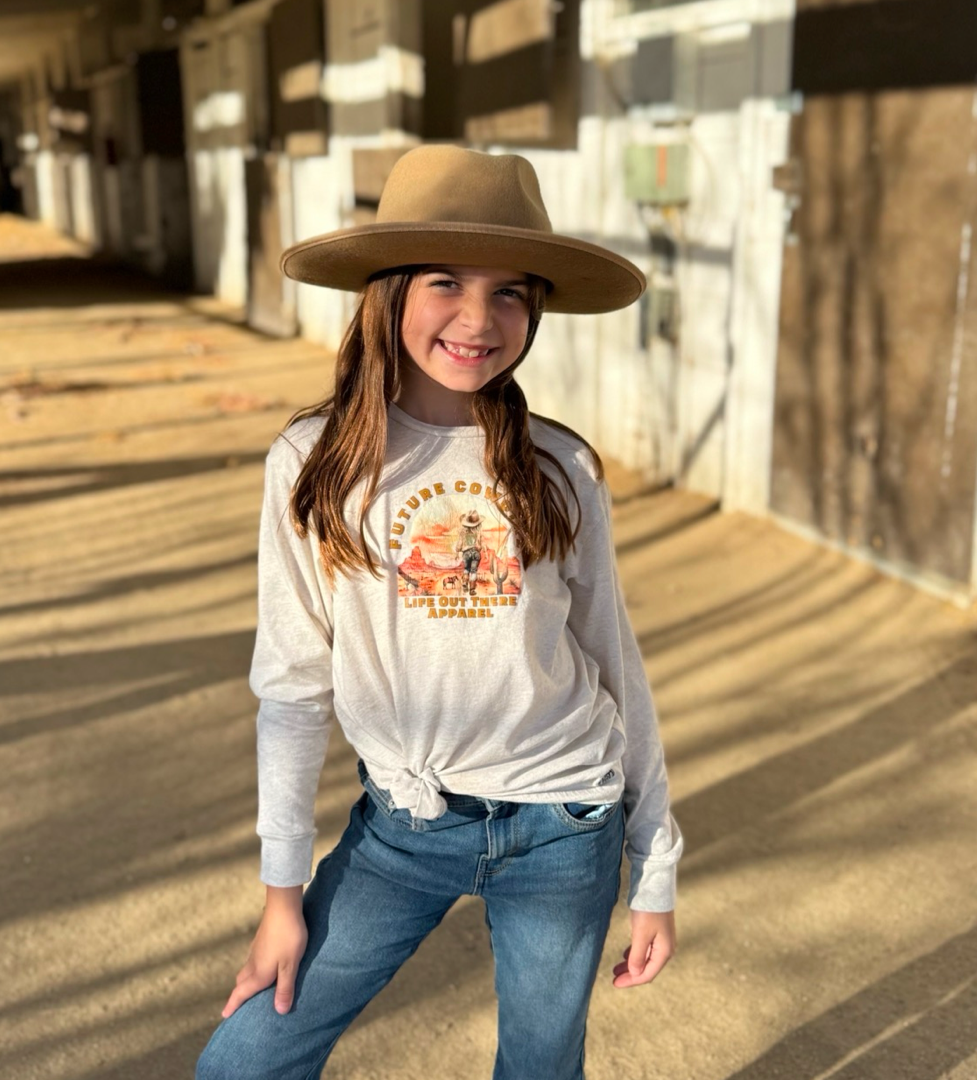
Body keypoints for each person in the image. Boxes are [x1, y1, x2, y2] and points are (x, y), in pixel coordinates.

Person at [195, 144, 684, 1080]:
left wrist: (653, 864)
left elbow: (615, 664)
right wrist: (281, 892)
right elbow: (293, 688)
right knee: (244, 1062)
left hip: (565, 824)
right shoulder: (312, 463)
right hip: (403, 828)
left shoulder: (559, 469)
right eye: (446, 282)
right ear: (386, 293)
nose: (478, 318)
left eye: (511, 292)